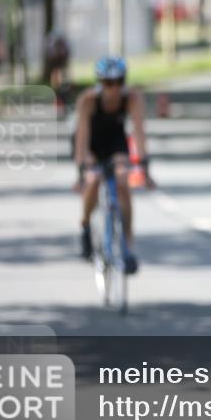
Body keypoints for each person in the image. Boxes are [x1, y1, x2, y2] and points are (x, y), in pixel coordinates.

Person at [73, 56, 154, 274]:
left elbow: (138, 132)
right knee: (93, 179)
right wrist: (81, 170)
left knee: (122, 183)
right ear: (100, 83)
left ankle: (127, 249)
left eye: (119, 82)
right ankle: (85, 226)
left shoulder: (132, 98)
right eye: (108, 83)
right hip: (92, 144)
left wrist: (145, 166)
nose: (114, 89)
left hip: (116, 143)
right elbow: (82, 138)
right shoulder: (88, 100)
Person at [43, 31, 72, 114]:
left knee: (61, 77)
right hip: (59, 64)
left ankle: (61, 98)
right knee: (60, 77)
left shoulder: (55, 47)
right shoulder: (60, 48)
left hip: (60, 65)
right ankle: (60, 99)